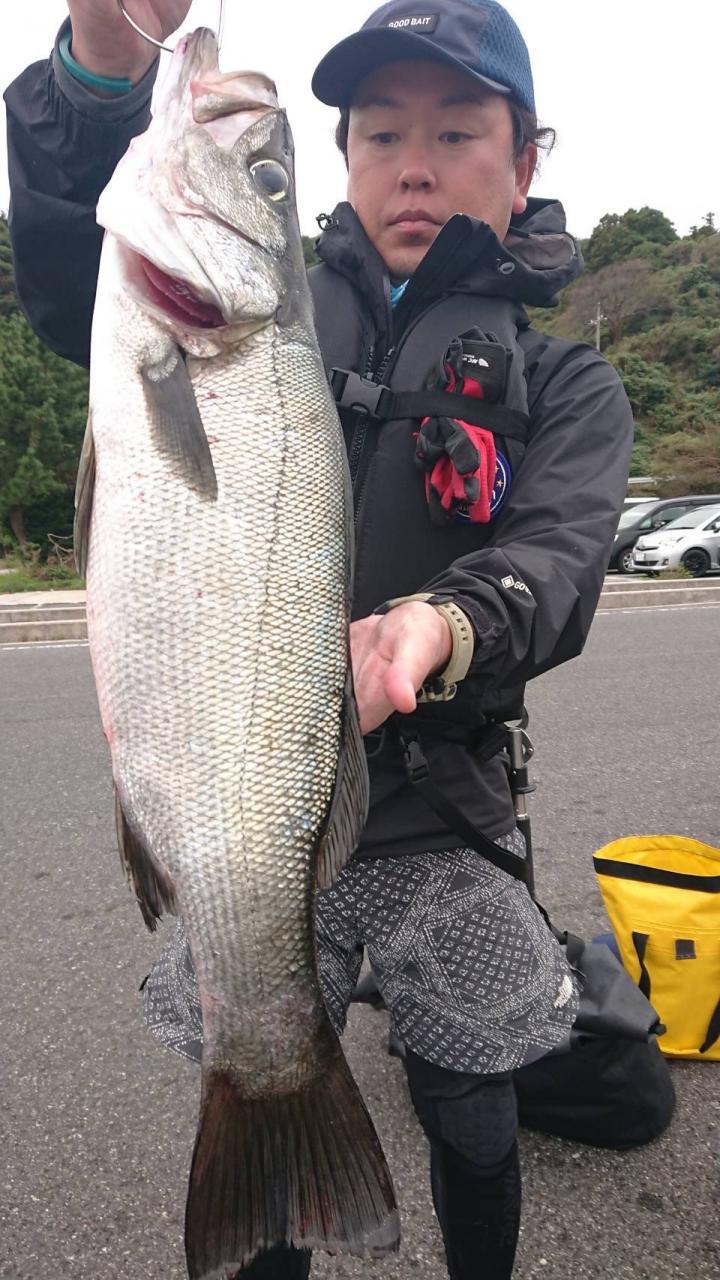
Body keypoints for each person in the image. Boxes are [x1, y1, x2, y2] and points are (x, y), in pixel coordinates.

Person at [4, 2, 634, 1277]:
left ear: (523, 163)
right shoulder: (256, 316)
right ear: (344, 160)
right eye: (381, 134)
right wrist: (105, 68)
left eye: (456, 133)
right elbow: (73, 279)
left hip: (449, 813)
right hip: (249, 813)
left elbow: (559, 564)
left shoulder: (567, 381)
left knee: (472, 1106)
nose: (416, 166)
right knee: (261, 1067)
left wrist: (444, 622)